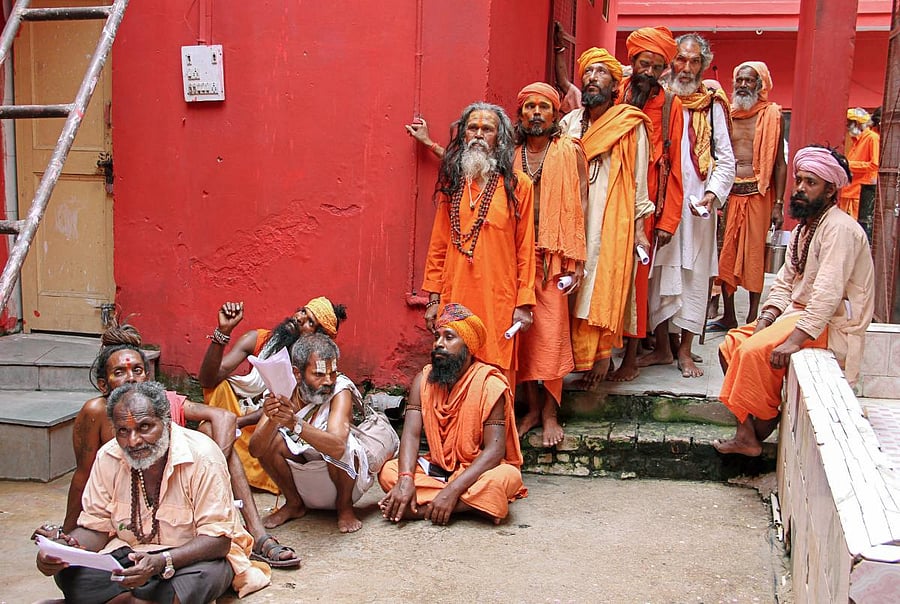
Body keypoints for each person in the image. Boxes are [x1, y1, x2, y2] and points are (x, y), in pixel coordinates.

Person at [62, 323, 300, 568]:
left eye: (137, 370)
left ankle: (258, 536)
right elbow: (83, 475)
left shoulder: (159, 403)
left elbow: (224, 417)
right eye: (120, 372)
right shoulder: (96, 412)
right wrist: (68, 535)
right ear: (104, 384)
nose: (131, 378)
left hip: (174, 496)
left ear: (148, 375)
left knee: (211, 436)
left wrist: (215, 464)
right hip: (127, 504)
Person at [34, 381, 270, 602]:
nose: (133, 441)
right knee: (71, 575)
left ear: (166, 422)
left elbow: (218, 542)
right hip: (129, 556)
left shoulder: (203, 456)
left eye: (144, 427)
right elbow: (96, 528)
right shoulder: (109, 456)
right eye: (123, 431)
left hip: (187, 559)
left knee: (204, 577)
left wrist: (161, 561)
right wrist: (64, 549)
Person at [713, 146, 874, 456]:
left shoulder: (839, 229)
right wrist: (764, 320)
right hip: (797, 317)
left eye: (810, 183)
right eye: (798, 180)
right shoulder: (804, 228)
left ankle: (754, 432)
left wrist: (795, 340)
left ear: (830, 190)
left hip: (831, 325)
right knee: (730, 345)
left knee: (750, 352)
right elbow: (786, 281)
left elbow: (827, 295)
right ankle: (753, 430)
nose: (800, 188)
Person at [379, 304, 527, 525]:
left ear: (467, 346)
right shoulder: (424, 380)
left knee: (506, 478)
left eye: (449, 338)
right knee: (389, 472)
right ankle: (470, 507)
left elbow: (495, 451)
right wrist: (406, 479)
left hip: (475, 473)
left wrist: (453, 490)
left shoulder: (491, 385)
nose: (439, 344)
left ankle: (424, 509)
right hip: (436, 469)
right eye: (437, 337)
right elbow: (410, 435)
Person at [559, 47, 654, 390]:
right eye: (588, 72)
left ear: (615, 85)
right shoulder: (569, 123)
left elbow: (640, 179)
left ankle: (600, 356)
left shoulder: (629, 123)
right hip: (572, 215)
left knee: (604, 281)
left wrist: (641, 229)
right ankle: (574, 355)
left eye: (601, 73)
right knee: (571, 282)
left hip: (613, 215)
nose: (592, 78)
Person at [421, 102, 536, 379]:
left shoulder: (518, 185)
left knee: (494, 369)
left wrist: (524, 304)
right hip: (456, 293)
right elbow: (438, 244)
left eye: (487, 129)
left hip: (499, 299)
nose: (479, 135)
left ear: (500, 138)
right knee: (454, 365)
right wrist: (433, 299)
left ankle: (493, 423)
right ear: (463, 135)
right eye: (473, 128)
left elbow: (526, 250)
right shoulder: (454, 183)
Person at [646, 33, 735, 378]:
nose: (685, 68)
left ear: (704, 65)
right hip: (663, 198)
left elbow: (726, 160)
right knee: (659, 270)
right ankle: (661, 349)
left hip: (698, 202)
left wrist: (712, 195)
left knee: (695, 275)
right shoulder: (661, 99)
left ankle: (684, 350)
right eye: (680, 60)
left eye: (693, 61)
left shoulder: (713, 104)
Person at [199, 297, 346, 494]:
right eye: (302, 311)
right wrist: (223, 333)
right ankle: (228, 467)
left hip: (269, 429)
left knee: (269, 431)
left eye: (311, 322)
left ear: (317, 338)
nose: (300, 319)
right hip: (241, 419)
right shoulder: (258, 339)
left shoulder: (310, 369)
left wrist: (238, 422)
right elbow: (208, 380)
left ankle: (228, 470)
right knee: (220, 390)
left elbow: (286, 410)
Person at [512, 82, 588, 447]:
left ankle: (550, 412)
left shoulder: (569, 150)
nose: (537, 113)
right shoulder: (510, 153)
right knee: (522, 335)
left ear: (556, 113)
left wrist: (576, 261)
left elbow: (581, 205)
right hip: (517, 254)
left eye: (544, 106)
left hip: (556, 254)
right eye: (530, 107)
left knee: (553, 334)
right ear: (521, 114)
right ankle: (529, 407)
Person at [612, 25, 686, 382]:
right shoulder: (616, 93)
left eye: (658, 68)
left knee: (637, 285)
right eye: (645, 64)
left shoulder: (672, 105)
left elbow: (675, 166)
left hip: (646, 208)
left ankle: (628, 358)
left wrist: (668, 220)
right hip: (610, 203)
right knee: (609, 279)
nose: (651, 73)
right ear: (633, 60)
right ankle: (602, 356)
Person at [248, 333, 372, 533]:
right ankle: (294, 504)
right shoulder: (283, 389)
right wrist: (273, 419)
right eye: (319, 375)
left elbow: (338, 447)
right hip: (305, 480)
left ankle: (345, 508)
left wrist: (294, 423)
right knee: (271, 440)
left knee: (346, 442)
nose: (328, 381)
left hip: (340, 477)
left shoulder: (341, 390)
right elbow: (256, 450)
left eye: (332, 373)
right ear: (297, 374)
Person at [710, 61, 787, 332]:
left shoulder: (772, 115)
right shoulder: (727, 114)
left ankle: (753, 317)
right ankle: (728, 316)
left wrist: (778, 205)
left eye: (749, 81)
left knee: (754, 256)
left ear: (760, 84)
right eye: (739, 80)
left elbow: (779, 163)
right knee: (726, 255)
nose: (743, 85)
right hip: (730, 193)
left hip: (758, 194)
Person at [841, 107, 880, 238]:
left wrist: (849, 165)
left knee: (857, 231)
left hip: (860, 193)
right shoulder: (857, 140)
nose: (846, 126)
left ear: (857, 123)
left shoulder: (872, 138)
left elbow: (874, 164)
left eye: (848, 123)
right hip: (849, 191)